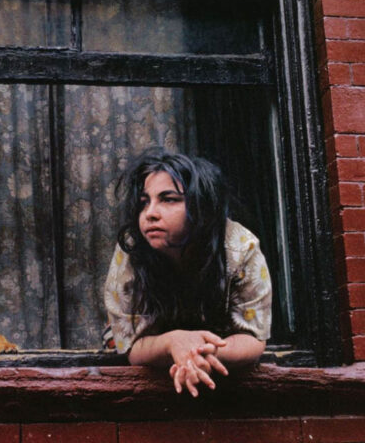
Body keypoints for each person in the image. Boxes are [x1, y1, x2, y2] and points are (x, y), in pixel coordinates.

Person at [104, 148, 272, 397]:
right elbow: (130, 346)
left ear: (201, 206)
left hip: (218, 350)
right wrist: (172, 342)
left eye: (168, 199)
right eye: (144, 202)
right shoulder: (132, 247)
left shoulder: (240, 247)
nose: (150, 213)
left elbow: (255, 340)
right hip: (152, 353)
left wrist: (196, 352)